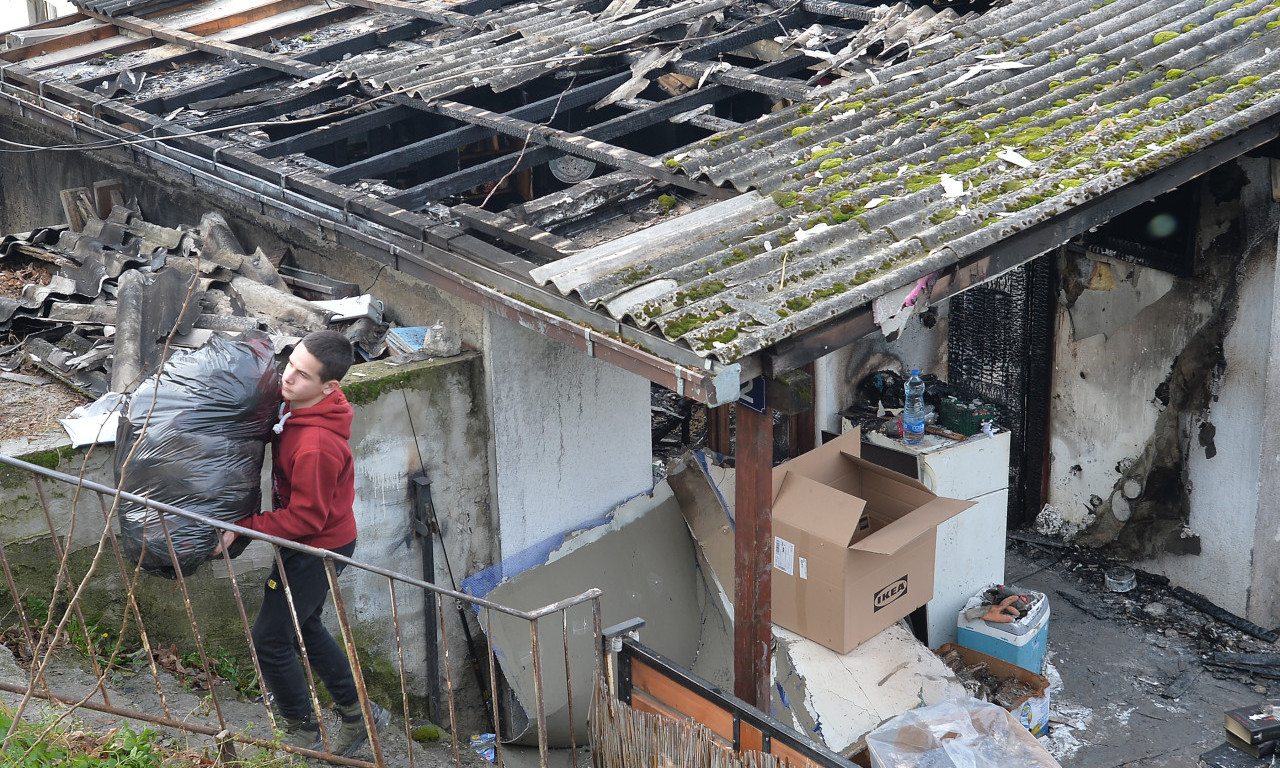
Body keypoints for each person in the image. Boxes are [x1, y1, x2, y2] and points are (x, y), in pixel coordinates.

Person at [216, 329, 389, 756]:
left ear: (329, 387)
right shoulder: (295, 408)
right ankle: (360, 716)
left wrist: (245, 526)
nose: (287, 378)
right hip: (310, 539)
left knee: (270, 639)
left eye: (301, 375)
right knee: (305, 625)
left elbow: (308, 516)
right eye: (288, 364)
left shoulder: (315, 445)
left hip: (318, 548)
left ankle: (300, 730)